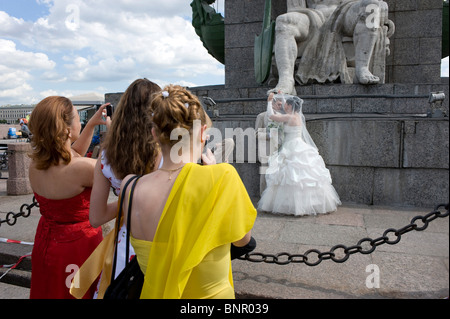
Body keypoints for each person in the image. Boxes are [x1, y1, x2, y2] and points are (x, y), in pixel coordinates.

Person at [120, 85, 257, 299]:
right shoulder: (222, 177)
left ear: (155, 134)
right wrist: (214, 177)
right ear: (203, 132)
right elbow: (242, 241)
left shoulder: (129, 187)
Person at [28, 96, 107, 299]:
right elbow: (123, 178)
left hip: (46, 242)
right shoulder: (85, 169)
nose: (80, 121)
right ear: (65, 128)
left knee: (49, 291)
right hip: (79, 247)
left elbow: (72, 154)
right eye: (77, 117)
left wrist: (91, 124)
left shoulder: (37, 164)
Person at [272, 0, 394, 95]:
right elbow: (294, 9)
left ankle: (362, 68)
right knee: (284, 21)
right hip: (315, 16)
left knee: (371, 7)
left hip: (347, 13)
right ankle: (286, 79)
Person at [258, 93, 341, 216]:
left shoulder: (289, 117)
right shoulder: (296, 116)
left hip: (291, 146)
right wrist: (280, 96)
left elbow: (271, 115)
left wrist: (269, 101)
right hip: (298, 145)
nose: (284, 105)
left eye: (286, 104)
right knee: (302, 177)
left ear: (290, 106)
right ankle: (306, 205)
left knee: (291, 177)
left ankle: (291, 205)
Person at [255, 93, 284, 195]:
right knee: (264, 174)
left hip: (278, 149)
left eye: (281, 104)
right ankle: (263, 197)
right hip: (265, 151)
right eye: (279, 104)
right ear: (272, 104)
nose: (281, 107)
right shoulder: (261, 116)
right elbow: (257, 134)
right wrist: (269, 135)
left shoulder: (281, 117)